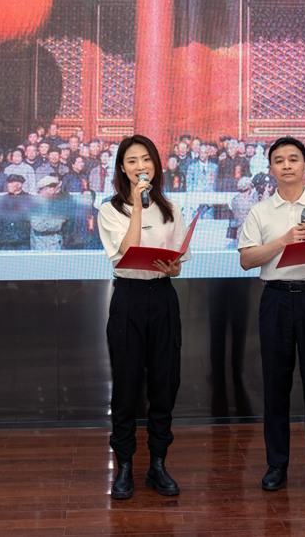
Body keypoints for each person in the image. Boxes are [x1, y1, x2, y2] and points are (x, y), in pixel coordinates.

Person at [238, 136, 305, 494]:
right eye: (279, 160)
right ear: (270, 169)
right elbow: (247, 260)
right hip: (276, 300)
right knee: (275, 383)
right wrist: (283, 241)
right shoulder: (259, 211)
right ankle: (276, 464)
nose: (287, 165)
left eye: (293, 159)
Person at [97, 135, 192, 501]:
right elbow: (126, 252)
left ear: (156, 165)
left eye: (146, 159)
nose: (141, 166)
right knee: (126, 384)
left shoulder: (171, 208)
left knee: (164, 383)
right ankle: (124, 465)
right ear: (123, 168)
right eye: (133, 161)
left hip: (162, 296)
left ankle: (158, 464)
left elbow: (177, 264)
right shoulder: (110, 209)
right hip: (128, 299)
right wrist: (137, 205)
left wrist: (172, 268)